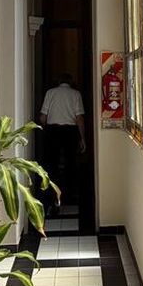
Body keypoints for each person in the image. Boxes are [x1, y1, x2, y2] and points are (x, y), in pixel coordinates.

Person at [39, 73, 86, 211]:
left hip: (53, 131)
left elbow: (43, 117)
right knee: (70, 163)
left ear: (58, 81)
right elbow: (79, 118)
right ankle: (68, 194)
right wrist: (82, 138)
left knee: (51, 163)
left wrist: (44, 130)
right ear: (71, 82)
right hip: (70, 132)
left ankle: (51, 195)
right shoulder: (76, 94)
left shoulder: (50, 92)